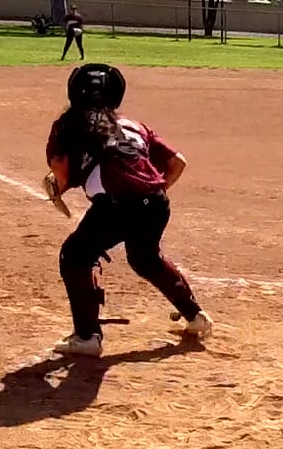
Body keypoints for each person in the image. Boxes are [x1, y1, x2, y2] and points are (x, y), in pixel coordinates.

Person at [45, 63, 212, 357]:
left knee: (75, 256)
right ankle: (195, 317)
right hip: (156, 201)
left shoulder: (67, 125)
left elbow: (61, 168)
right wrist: (148, 194)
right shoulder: (134, 126)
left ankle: (87, 337)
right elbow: (178, 163)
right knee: (145, 258)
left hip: (117, 204)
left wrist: (58, 185)